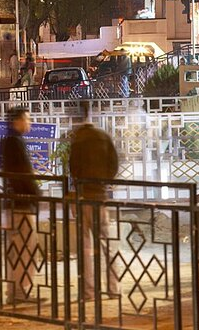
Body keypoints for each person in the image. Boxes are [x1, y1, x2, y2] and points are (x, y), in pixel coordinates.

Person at [69, 102, 120, 301]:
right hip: (100, 196)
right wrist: (104, 183)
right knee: (108, 245)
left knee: (85, 247)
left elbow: (73, 169)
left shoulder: (78, 140)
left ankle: (88, 292)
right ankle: (113, 288)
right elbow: (114, 164)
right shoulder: (103, 136)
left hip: (84, 198)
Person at [0, 107, 40, 304]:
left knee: (16, 249)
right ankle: (20, 292)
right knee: (26, 249)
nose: (29, 123)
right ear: (18, 121)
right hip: (22, 203)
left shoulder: (6, 142)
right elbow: (24, 174)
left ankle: (13, 291)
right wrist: (37, 195)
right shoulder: (16, 143)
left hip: (12, 202)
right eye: (27, 119)